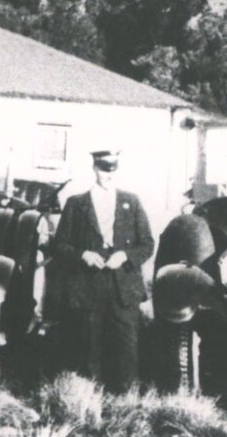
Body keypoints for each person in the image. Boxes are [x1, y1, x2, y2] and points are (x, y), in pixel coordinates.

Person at [51, 149, 154, 391]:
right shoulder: (76, 204)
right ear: (94, 169)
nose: (108, 174)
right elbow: (60, 246)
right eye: (103, 169)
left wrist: (125, 256)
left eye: (112, 170)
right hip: (87, 287)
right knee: (89, 349)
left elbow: (148, 244)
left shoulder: (132, 201)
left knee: (125, 349)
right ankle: (90, 404)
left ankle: (124, 403)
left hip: (123, 289)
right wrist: (82, 255)